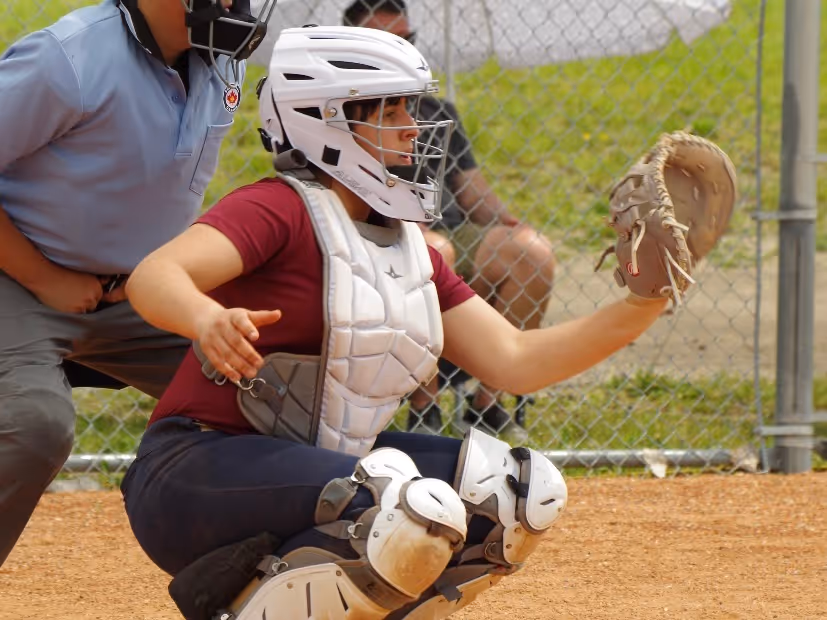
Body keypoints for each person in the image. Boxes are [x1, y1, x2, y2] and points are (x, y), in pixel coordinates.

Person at [119, 26, 672, 620]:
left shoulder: (409, 249)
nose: (413, 124)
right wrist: (207, 317)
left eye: (409, 105)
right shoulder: (278, 207)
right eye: (390, 108)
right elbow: (153, 276)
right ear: (325, 121)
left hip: (318, 470)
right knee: (406, 505)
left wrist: (645, 302)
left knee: (516, 493)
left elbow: (516, 359)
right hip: (192, 476)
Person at [0, 0, 276, 567]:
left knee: (273, 394)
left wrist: (157, 275)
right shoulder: (68, 58)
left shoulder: (222, 57)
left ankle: (266, 580)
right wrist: (42, 276)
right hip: (18, 275)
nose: (237, 2)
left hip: (136, 293)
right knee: (35, 425)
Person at [343, 0, 557, 441]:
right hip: (378, 236)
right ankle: (426, 409)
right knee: (431, 250)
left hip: (449, 229)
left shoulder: (437, 111)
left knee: (530, 254)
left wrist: (508, 221)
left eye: (406, 40)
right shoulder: (340, 111)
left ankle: (486, 407)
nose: (398, 49)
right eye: (384, 40)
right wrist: (403, 223)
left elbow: (473, 193)